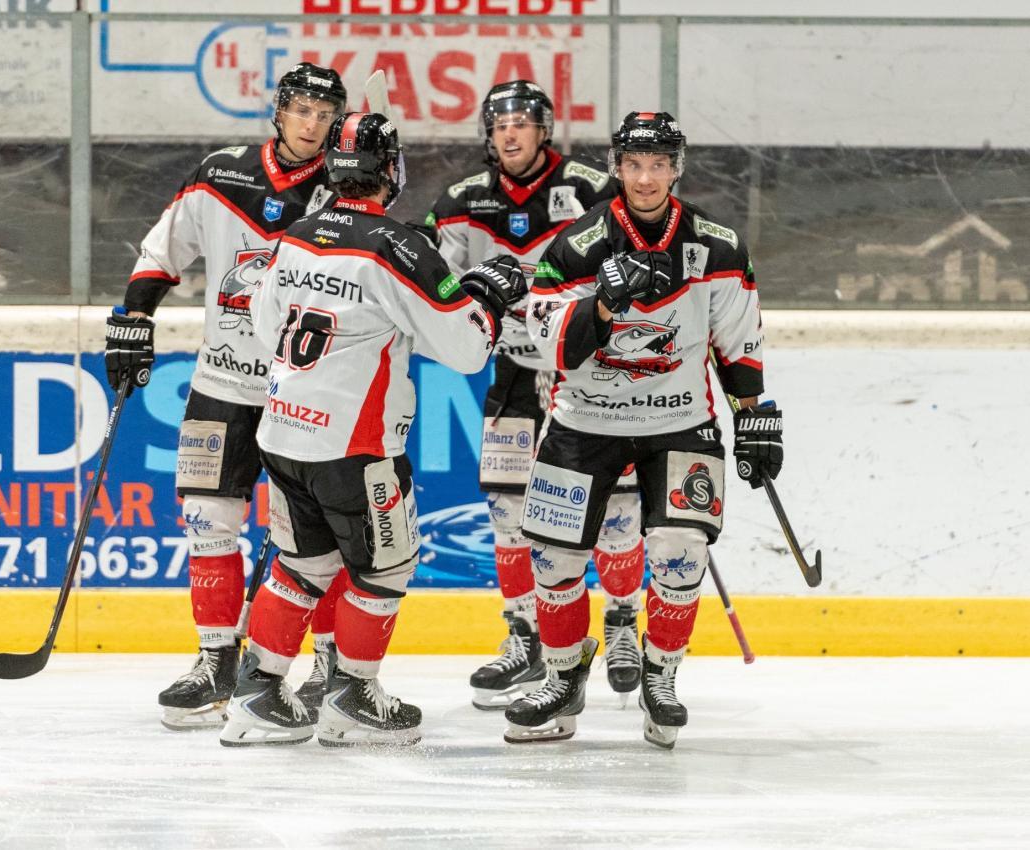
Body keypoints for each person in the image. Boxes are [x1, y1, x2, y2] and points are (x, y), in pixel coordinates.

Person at [218, 112, 527, 747]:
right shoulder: (399, 246)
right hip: (355, 445)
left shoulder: (297, 234)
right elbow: (466, 349)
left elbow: (262, 320)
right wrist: (487, 297)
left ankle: (256, 694)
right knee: (385, 567)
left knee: (302, 566)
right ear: (391, 170)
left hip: (282, 432)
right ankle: (353, 699)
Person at [509, 111, 783, 747]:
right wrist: (602, 307)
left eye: (659, 164)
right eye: (635, 164)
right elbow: (547, 342)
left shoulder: (718, 245)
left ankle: (661, 676)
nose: (647, 176)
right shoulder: (576, 245)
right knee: (554, 557)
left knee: (681, 553)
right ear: (617, 167)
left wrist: (755, 415)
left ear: (675, 168)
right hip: (584, 422)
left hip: (679, 421)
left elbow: (737, 341)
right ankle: (560, 678)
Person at [102, 63, 352, 731]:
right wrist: (134, 316)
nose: (310, 121)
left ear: (335, 122)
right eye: (300, 107)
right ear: (279, 110)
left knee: (314, 534)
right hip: (220, 383)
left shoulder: (345, 190)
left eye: (323, 113)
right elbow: (164, 250)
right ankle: (215, 658)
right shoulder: (221, 173)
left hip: (305, 393)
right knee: (208, 521)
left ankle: (326, 660)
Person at [425, 80, 648, 709]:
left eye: (523, 123)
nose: (512, 134)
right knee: (506, 510)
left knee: (616, 510)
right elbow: (435, 280)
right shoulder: (460, 202)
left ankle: (624, 619)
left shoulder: (591, 188)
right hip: (515, 375)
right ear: (488, 136)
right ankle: (525, 635)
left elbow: (641, 257)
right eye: (501, 126)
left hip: (591, 369)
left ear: (544, 129)